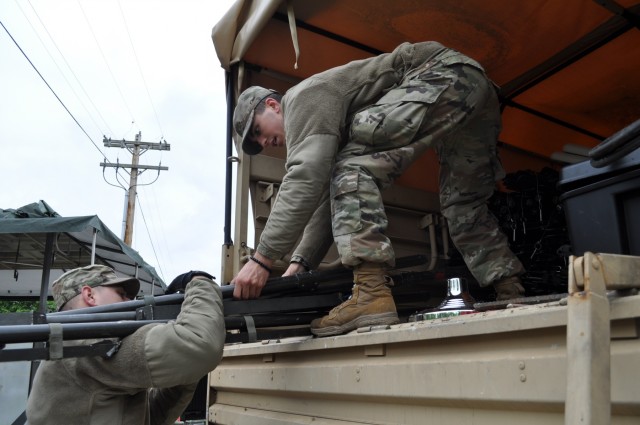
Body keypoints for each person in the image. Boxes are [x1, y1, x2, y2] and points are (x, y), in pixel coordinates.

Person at [231, 41, 526, 337]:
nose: (264, 142)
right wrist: (301, 263)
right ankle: (510, 290)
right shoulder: (323, 121)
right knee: (462, 205)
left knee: (351, 168)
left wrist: (262, 260)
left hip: (437, 73)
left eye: (258, 131)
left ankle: (371, 294)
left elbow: (306, 177)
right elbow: (327, 196)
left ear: (272, 105)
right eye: (256, 145)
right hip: (473, 87)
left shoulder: (301, 99)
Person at [26, 264, 226, 425]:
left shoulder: (68, 344)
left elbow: (150, 416)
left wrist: (184, 369)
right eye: (122, 294)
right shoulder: (88, 344)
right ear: (90, 296)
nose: (131, 301)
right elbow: (200, 345)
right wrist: (199, 282)